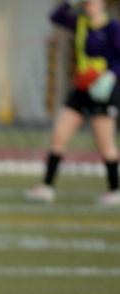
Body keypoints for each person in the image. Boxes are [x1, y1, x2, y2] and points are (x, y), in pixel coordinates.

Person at [26, 0, 120, 207]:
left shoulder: (112, 28)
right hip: (81, 89)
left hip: (103, 91)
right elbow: (55, 16)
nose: (90, 4)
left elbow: (118, 59)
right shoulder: (80, 23)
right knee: (59, 135)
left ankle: (115, 191)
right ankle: (47, 187)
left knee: (106, 145)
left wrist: (111, 77)